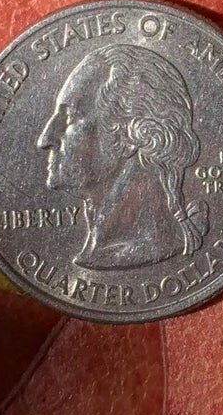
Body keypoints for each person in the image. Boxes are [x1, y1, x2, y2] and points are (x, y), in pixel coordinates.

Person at [38, 44, 207, 269]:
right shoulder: (103, 250)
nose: (45, 139)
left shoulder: (147, 247)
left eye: (70, 116)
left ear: (131, 133)